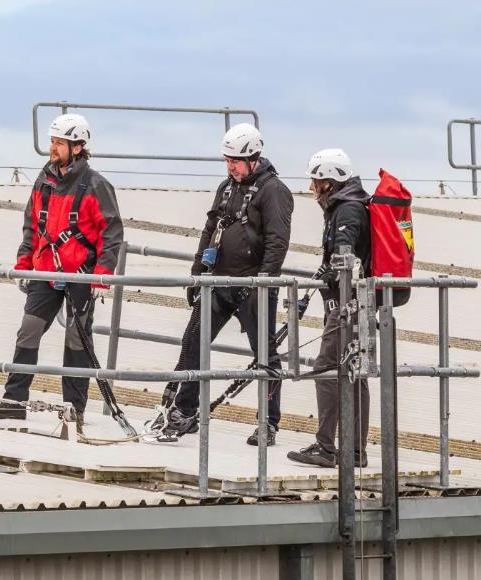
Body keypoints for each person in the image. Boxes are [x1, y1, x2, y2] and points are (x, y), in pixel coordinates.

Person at [158, 123, 294, 445]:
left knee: (265, 355)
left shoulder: (274, 192)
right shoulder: (227, 186)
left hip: (252, 285)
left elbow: (278, 241)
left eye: (235, 160)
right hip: (218, 280)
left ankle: (268, 423)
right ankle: (185, 411)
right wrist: (197, 270)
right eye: (226, 160)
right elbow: (211, 227)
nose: (230, 166)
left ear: (253, 159)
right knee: (192, 341)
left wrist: (265, 280)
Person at [0, 114, 124, 421]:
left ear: (77, 148)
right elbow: (31, 225)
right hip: (45, 272)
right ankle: (14, 401)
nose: (53, 148)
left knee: (77, 340)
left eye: (59, 143)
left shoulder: (97, 186)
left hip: (81, 275)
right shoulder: (44, 181)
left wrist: (102, 274)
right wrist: (24, 263)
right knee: (29, 331)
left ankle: (73, 408)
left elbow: (111, 233)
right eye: (52, 141)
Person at [287, 149, 371, 468]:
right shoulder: (350, 204)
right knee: (354, 372)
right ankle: (355, 450)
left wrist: (331, 274)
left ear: (329, 181)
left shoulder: (347, 210)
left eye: (315, 179)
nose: (311, 186)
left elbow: (344, 260)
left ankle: (325, 446)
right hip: (356, 302)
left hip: (350, 304)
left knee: (326, 369)